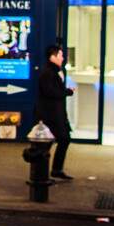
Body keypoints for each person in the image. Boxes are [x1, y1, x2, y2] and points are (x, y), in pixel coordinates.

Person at [34, 43, 74, 180]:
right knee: (55, 141)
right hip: (50, 115)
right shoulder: (48, 72)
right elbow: (50, 92)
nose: (63, 58)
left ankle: (54, 170)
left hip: (56, 114)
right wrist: (67, 92)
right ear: (53, 56)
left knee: (61, 140)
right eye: (61, 55)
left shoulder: (55, 70)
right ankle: (44, 173)